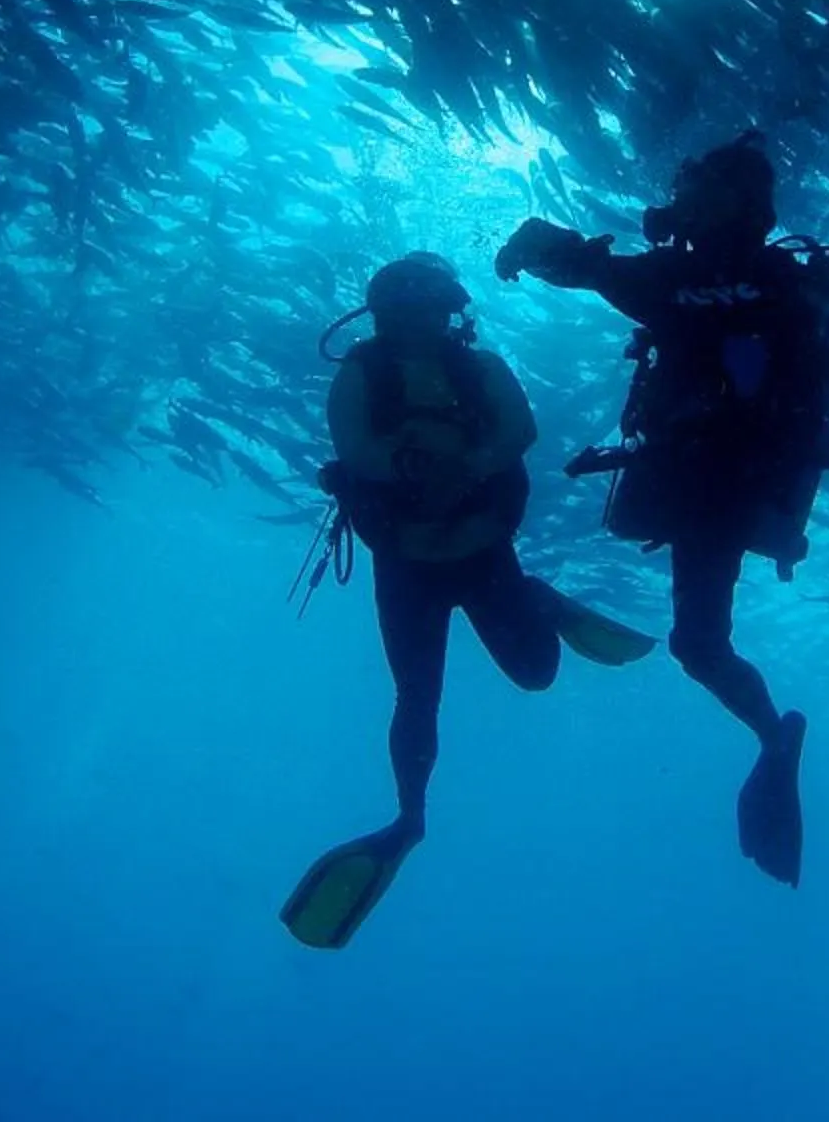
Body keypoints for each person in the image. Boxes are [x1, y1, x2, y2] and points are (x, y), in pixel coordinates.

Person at [496, 132, 829, 888]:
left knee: (696, 643)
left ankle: (774, 737)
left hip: (710, 487)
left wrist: (531, 246)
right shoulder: (763, 282)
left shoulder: (698, 281)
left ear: (731, 203)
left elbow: (602, 273)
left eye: (693, 189)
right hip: (720, 487)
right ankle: (772, 736)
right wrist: (549, 250)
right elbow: (608, 274)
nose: (679, 200)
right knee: (698, 645)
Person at [279, 251, 655, 951]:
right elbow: (353, 446)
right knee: (416, 695)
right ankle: (409, 817)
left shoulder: (480, 369)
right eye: (403, 310)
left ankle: (539, 600)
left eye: (426, 308)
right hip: (406, 565)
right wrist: (411, 470)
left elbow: (520, 430)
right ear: (383, 314)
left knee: (536, 675)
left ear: (447, 311)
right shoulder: (362, 373)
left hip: (481, 551)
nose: (416, 321)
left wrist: (464, 468)